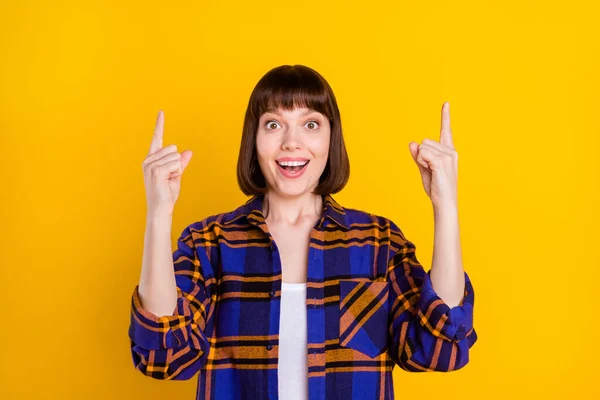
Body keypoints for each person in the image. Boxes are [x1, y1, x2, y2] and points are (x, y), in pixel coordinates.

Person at [128, 64, 477, 400]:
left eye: (310, 124)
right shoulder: (209, 244)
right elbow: (166, 358)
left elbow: (438, 349)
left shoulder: (378, 242)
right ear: (254, 139)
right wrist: (159, 213)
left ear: (331, 137)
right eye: (274, 125)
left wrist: (445, 206)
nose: (292, 143)